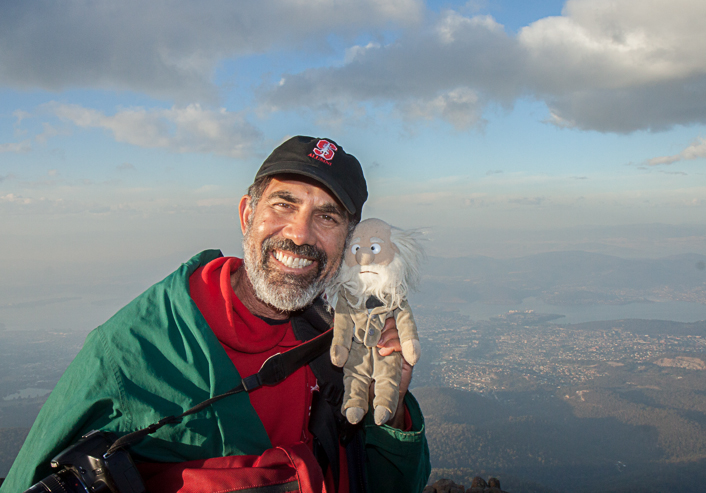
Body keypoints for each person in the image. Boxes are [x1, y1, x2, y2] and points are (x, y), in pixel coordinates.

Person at [1, 136, 431, 493]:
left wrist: (388, 408)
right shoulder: (130, 349)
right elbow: (26, 480)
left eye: (327, 217)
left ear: (347, 244)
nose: (300, 233)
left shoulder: (339, 339)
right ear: (247, 215)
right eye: (283, 205)